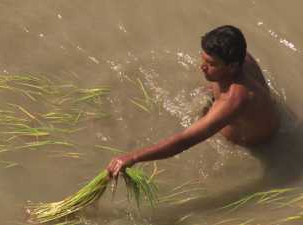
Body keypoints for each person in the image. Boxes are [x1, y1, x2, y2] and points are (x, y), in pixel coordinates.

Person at [107, 25, 280, 179]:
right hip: (253, 112)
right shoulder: (240, 57)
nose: (202, 66)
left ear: (233, 66)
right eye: (203, 58)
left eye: (211, 63)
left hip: (251, 144)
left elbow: (185, 140)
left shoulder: (234, 99)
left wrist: (134, 157)